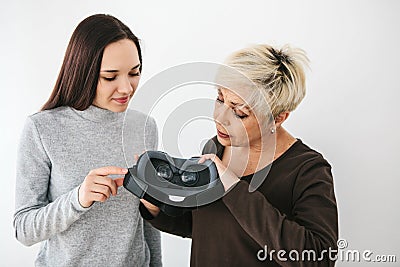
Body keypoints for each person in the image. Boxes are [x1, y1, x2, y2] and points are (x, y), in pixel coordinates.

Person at [140, 44, 338, 266]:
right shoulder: (216, 147)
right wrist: (156, 207)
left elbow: (319, 258)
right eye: (220, 98)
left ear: (279, 118)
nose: (220, 117)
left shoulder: (307, 170)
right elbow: (209, 228)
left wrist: (234, 188)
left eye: (239, 112)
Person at [14, 14, 161, 266]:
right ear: (83, 71)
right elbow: (24, 229)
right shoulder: (42, 128)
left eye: (134, 73)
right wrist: (78, 199)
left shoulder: (144, 127)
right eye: (110, 77)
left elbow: (147, 224)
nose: (126, 88)